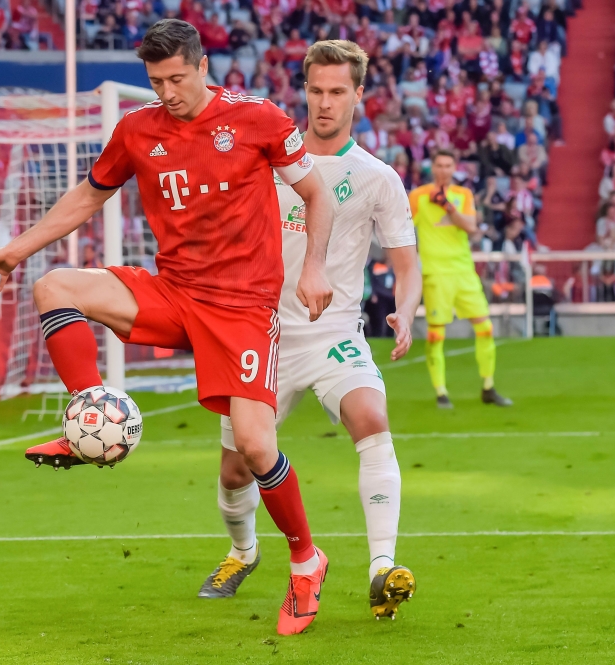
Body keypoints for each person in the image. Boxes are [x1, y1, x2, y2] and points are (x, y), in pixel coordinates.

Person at [0, 20, 335, 636]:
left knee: (254, 447)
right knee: (53, 286)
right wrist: (17, 248)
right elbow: (87, 197)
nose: (167, 92)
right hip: (173, 293)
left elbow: (317, 194)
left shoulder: (259, 118)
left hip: (242, 309)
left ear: (201, 66)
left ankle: (306, 561)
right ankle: (88, 417)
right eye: (156, 81)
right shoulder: (137, 129)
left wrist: (315, 268)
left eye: (176, 78)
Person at [207, 40, 423, 621]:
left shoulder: (377, 177)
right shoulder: (266, 161)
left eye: (337, 92)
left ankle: (382, 569)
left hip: (334, 333)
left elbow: (407, 265)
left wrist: (406, 310)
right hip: (261, 336)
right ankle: (243, 551)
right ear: (304, 91)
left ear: (359, 95)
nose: (325, 103)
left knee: (372, 419)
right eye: (316, 91)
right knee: (235, 468)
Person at [409, 150, 512, 409]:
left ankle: (488, 386)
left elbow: (470, 226)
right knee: (436, 334)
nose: (444, 170)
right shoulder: (418, 196)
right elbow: (402, 226)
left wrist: (447, 206)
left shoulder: (463, 195)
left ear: (455, 168)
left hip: (464, 270)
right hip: (436, 272)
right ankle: (441, 392)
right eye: (439, 165)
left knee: (485, 327)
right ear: (432, 168)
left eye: (448, 165)